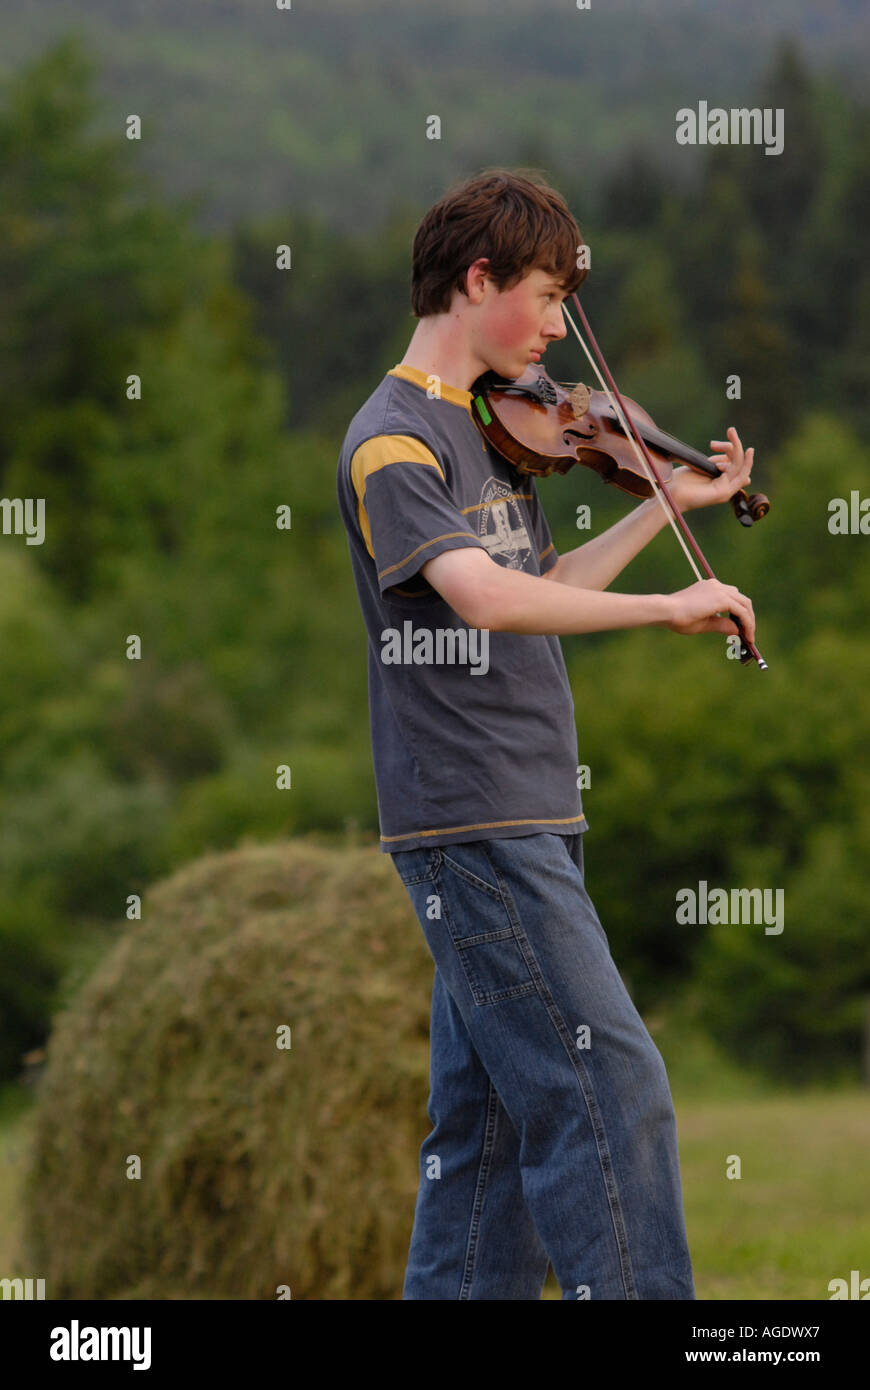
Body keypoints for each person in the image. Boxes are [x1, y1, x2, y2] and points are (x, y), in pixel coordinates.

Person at [335, 168, 755, 1300]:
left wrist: (664, 505)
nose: (562, 326)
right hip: (474, 816)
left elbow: (543, 576)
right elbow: (484, 596)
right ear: (478, 280)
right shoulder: (393, 442)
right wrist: (673, 606)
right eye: (549, 296)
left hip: (529, 807)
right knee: (610, 1083)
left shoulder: (492, 428)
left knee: (488, 1136)